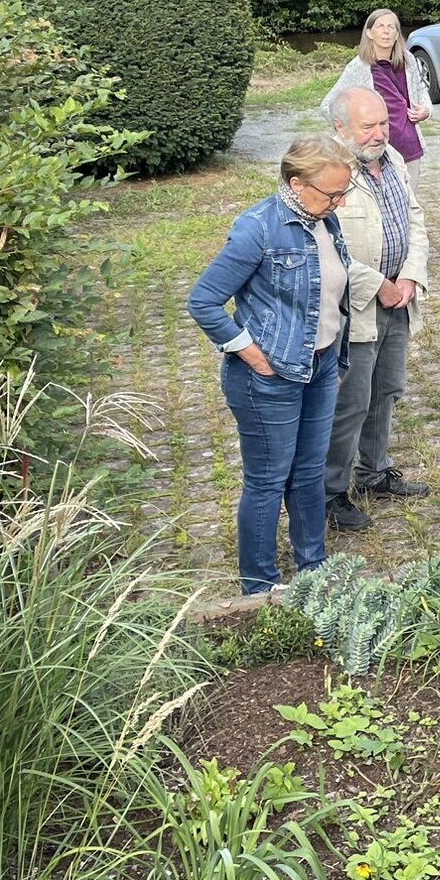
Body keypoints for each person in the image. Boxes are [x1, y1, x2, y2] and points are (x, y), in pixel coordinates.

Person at [186, 136, 357, 595]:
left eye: (345, 192)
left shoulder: (325, 218)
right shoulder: (258, 228)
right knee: (267, 480)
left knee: (308, 471)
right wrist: (249, 352)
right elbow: (203, 302)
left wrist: (332, 359)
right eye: (332, 194)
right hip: (268, 377)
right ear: (296, 184)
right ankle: (259, 586)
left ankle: (314, 571)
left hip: (319, 369)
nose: (339, 202)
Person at [321, 89, 432, 532]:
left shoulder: (395, 163)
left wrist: (408, 276)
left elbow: (415, 220)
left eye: (384, 123)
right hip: (353, 310)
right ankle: (330, 493)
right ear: (340, 128)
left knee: (387, 391)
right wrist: (378, 285)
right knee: (350, 403)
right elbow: (326, 248)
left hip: (398, 300)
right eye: (368, 126)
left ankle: (373, 472)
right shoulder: (326, 173)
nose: (380, 133)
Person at [321, 9, 432, 186]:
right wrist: (351, 131)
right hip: (377, 150)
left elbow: (421, 90)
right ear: (369, 33)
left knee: (409, 203)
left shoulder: (408, 60)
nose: (386, 31)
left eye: (391, 27)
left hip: (409, 147)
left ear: (397, 34)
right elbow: (328, 105)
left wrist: (426, 110)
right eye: (380, 26)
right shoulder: (359, 67)